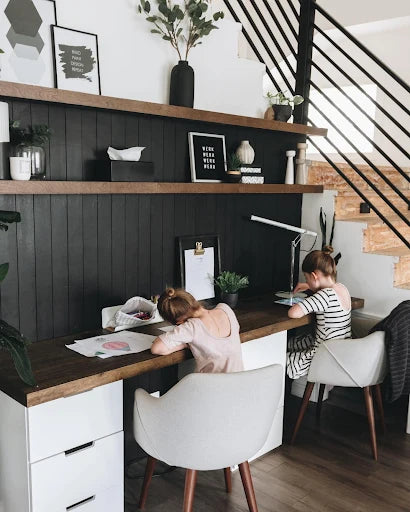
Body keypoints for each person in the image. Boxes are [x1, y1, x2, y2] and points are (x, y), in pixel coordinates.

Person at [286, 246, 351, 379]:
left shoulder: (325, 295)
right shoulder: (342, 288)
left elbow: (293, 313)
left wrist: (309, 293)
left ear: (314, 276)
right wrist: (310, 285)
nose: (306, 281)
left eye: (306, 278)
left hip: (324, 355)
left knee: (279, 357)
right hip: (341, 352)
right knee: (291, 343)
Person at [151, 287, 244, 373]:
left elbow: (157, 348)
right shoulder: (225, 308)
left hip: (213, 389)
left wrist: (185, 344)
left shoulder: (191, 327)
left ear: (178, 321)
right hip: (239, 386)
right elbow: (237, 328)